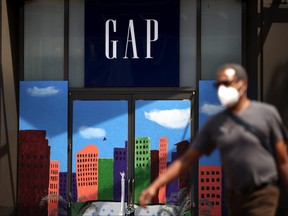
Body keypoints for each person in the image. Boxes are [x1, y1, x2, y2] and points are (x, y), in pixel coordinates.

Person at [139, 63, 288, 216]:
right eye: (219, 85)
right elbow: (186, 161)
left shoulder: (266, 114)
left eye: (227, 84)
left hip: (262, 193)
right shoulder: (216, 123)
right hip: (234, 196)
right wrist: (155, 186)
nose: (222, 90)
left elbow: (283, 159)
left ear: (243, 84)